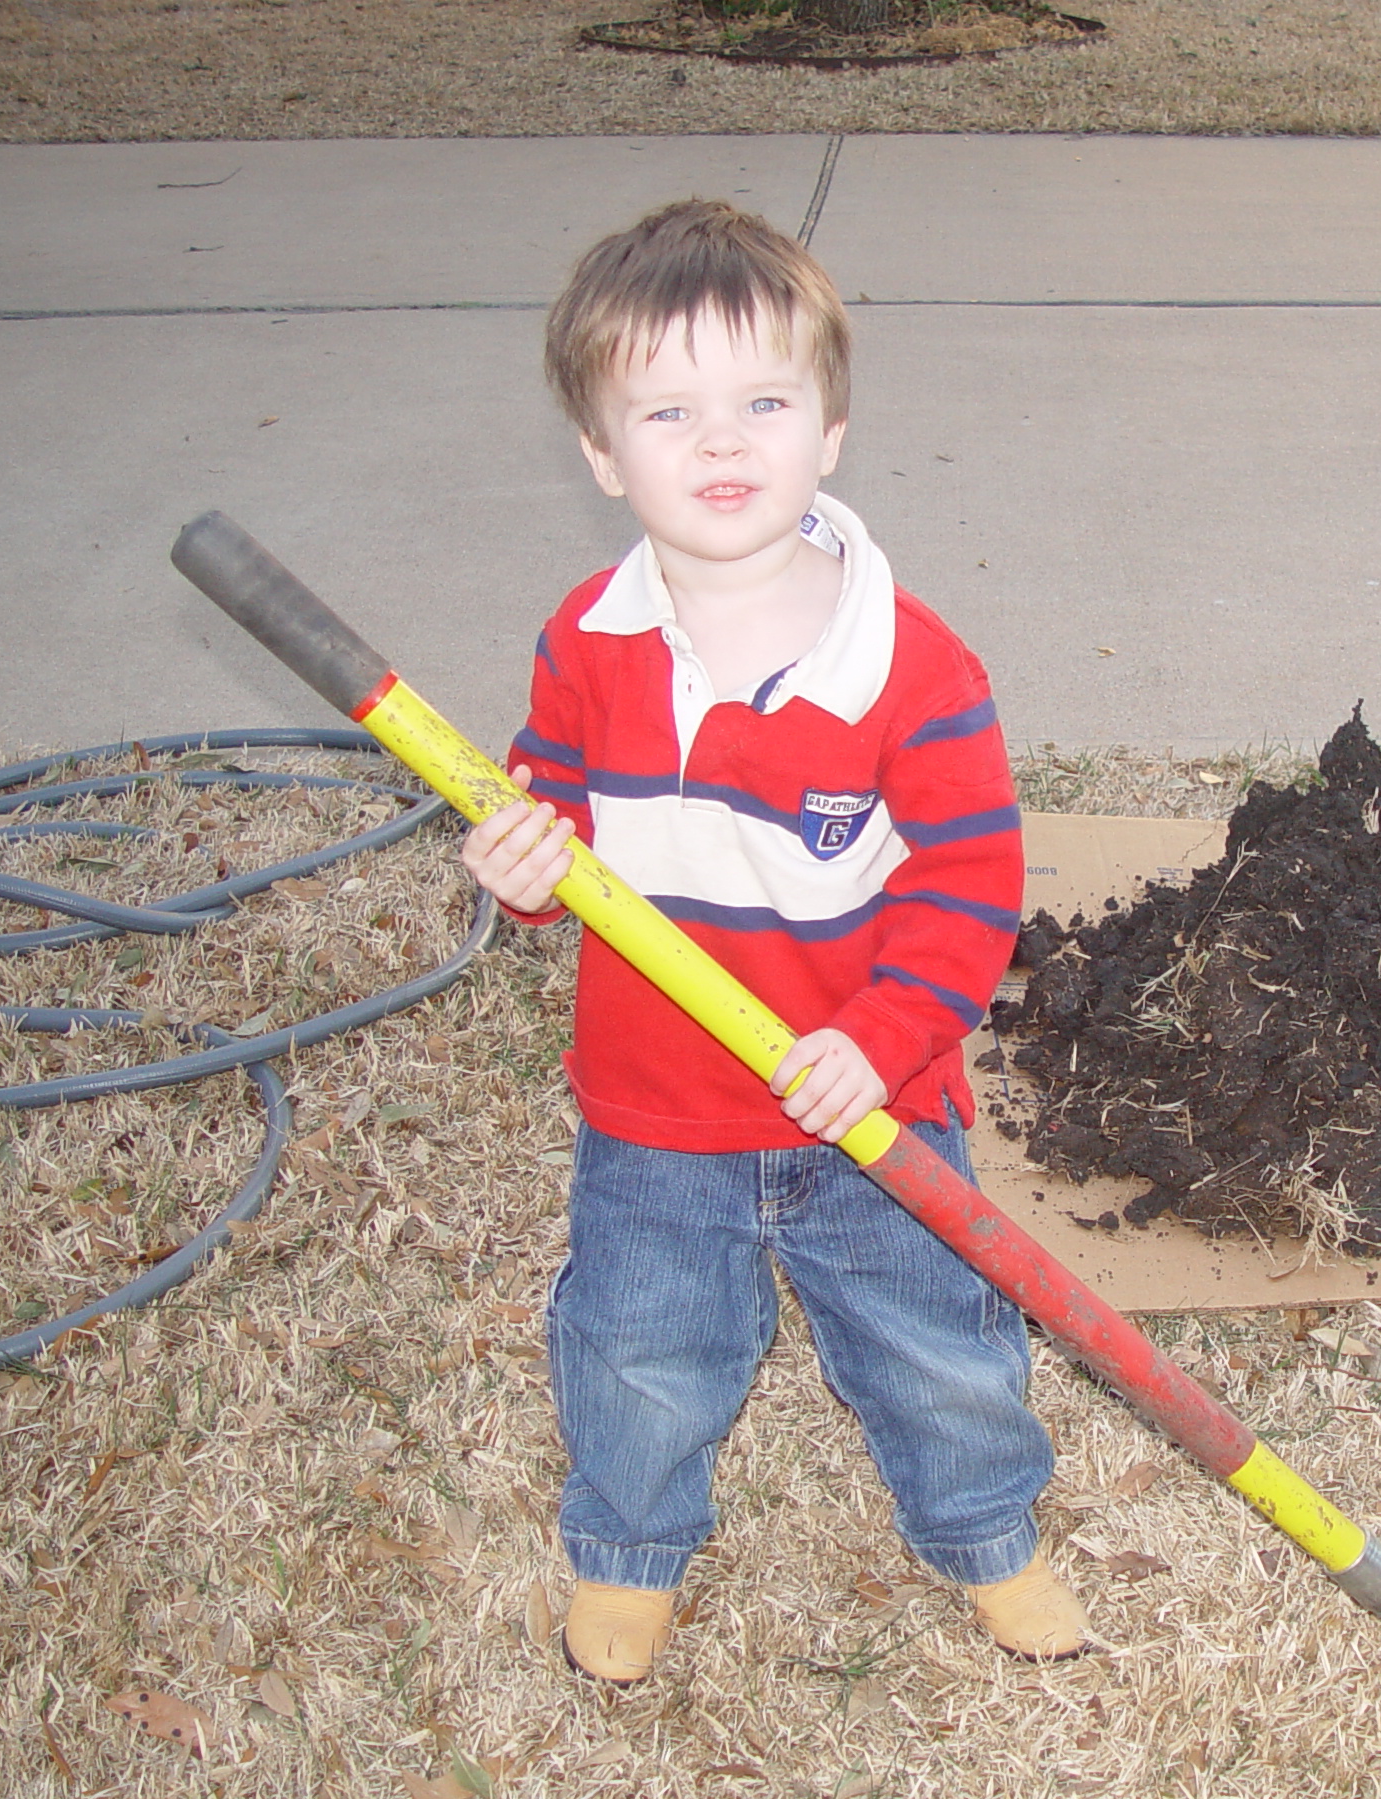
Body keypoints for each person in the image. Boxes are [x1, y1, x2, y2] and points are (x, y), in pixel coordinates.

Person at [459, 197, 1084, 1684]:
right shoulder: (588, 641)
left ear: (832, 427)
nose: (721, 442)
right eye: (668, 410)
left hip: (874, 1104)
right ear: (605, 457)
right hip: (659, 1105)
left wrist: (875, 1049)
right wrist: (522, 856)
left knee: (938, 1341)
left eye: (762, 402)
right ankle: (629, 1549)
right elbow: (550, 807)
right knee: (639, 1344)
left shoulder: (915, 667)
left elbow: (966, 887)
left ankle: (989, 1531)